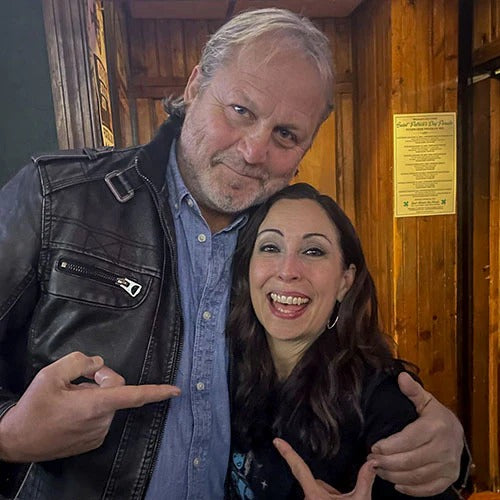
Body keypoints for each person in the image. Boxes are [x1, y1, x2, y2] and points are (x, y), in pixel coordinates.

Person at [0, 7, 466, 500]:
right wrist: (9, 433)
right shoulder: (57, 198)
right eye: (241, 110)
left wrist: (445, 449)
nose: (253, 152)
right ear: (195, 86)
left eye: (285, 134)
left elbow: (348, 383)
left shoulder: (275, 242)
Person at [226, 182, 456, 499]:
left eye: (313, 251)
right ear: (247, 269)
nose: (288, 271)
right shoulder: (225, 369)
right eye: (270, 247)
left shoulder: (384, 399)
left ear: (345, 282)